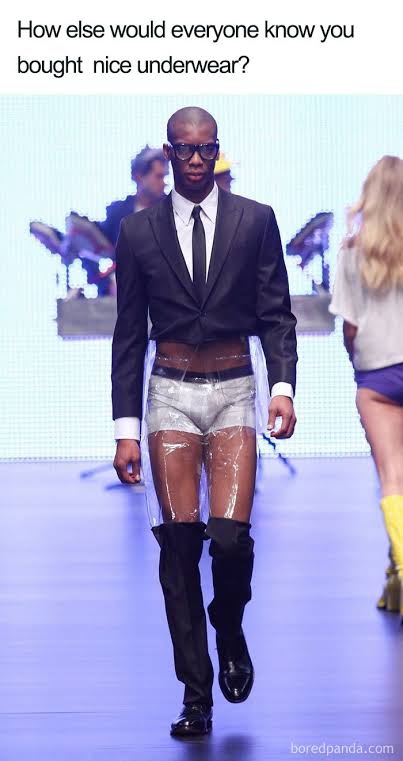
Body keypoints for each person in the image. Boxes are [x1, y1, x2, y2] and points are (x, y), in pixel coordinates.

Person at [111, 107, 297, 735]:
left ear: (217, 151)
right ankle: (195, 695)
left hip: (235, 387)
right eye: (184, 150)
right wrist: (124, 430)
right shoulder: (138, 232)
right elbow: (128, 335)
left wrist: (283, 388)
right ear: (168, 154)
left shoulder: (255, 220)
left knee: (231, 540)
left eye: (206, 149)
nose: (195, 159)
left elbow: (276, 313)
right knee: (179, 546)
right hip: (168, 391)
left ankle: (230, 624)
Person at [329, 155, 403, 620]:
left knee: (393, 478)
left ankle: (399, 575)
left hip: (378, 375)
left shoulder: (353, 251)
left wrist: (357, 364)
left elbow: (351, 326)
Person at [97, 145, 168, 246]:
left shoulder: (171, 212)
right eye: (158, 177)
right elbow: (101, 248)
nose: (164, 183)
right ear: (138, 177)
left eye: (164, 177)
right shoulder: (117, 212)